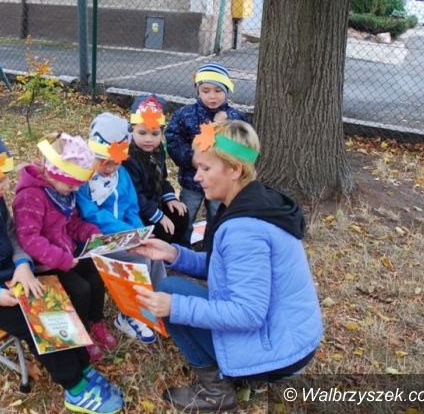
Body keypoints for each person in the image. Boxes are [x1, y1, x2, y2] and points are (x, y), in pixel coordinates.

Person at [0, 128, 123, 413]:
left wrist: (22, 265)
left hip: (10, 274)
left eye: (6, 178)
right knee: (37, 317)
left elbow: (12, 234)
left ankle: (82, 366)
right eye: (0, 180)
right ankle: (75, 388)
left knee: (57, 303)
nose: (7, 185)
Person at [134, 120, 323, 412]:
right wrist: (174, 254)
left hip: (279, 354)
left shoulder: (244, 231)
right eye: (197, 168)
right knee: (173, 287)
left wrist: (175, 307)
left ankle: (216, 391)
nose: (197, 177)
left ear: (234, 170)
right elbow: (224, 266)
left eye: (205, 168)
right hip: (289, 339)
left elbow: (248, 313)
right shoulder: (254, 201)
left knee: (171, 293)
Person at [12, 133, 119, 363]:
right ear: (53, 173)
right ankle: (82, 333)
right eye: (71, 185)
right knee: (80, 290)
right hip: (44, 263)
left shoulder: (62, 193)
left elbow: (72, 223)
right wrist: (61, 259)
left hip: (65, 252)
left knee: (96, 275)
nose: (75, 190)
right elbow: (28, 239)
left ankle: (96, 321)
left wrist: (90, 232)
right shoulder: (30, 196)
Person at [77, 112, 166, 344]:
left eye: (116, 162)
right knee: (139, 259)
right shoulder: (84, 179)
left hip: (125, 235)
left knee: (154, 254)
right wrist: (128, 233)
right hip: (97, 239)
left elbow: (131, 208)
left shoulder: (121, 174)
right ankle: (129, 314)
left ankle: (156, 302)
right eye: (104, 161)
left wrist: (140, 233)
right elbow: (91, 214)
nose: (110, 168)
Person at [164, 62, 249, 243]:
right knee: (186, 215)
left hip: (221, 181)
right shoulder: (185, 115)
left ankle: (213, 248)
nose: (212, 96)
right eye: (206, 90)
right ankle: (181, 247)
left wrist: (224, 127)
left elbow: (245, 150)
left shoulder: (237, 118)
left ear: (227, 90)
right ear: (198, 91)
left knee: (218, 216)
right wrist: (191, 158)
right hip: (192, 179)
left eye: (218, 90)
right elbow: (173, 139)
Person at [123, 94, 189, 244]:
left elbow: (162, 179)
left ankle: (176, 249)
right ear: (132, 130)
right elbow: (135, 195)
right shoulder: (129, 157)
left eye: (155, 134)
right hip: (138, 211)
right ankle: (160, 251)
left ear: (161, 133)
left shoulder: (158, 150)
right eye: (142, 133)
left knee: (180, 213)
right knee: (161, 230)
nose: (148, 139)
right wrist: (158, 215)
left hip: (154, 202)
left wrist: (170, 197)